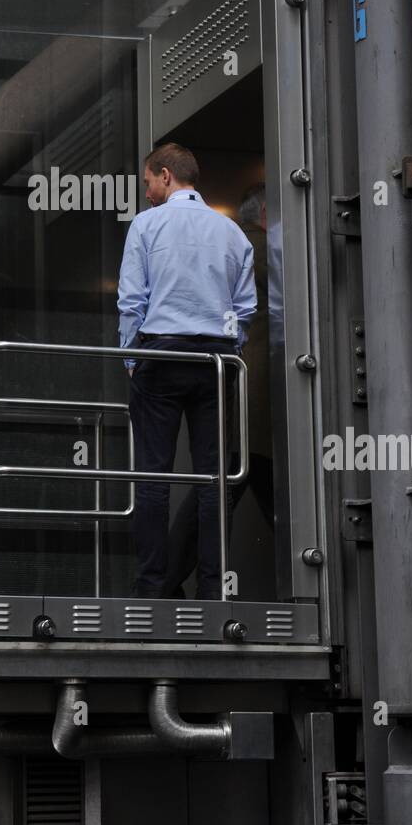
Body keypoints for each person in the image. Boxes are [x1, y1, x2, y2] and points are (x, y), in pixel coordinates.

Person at [117, 144, 256, 599]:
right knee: (214, 479)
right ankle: (213, 588)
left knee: (154, 477)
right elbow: (245, 308)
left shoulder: (147, 224)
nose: (148, 191)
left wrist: (132, 360)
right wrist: (229, 348)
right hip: (216, 362)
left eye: (148, 183)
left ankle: (153, 586)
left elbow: (132, 301)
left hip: (163, 354)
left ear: (165, 175)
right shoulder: (232, 232)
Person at [161, 181, 276, 598]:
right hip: (252, 390)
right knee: (229, 483)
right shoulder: (256, 248)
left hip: (238, 388)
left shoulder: (226, 246)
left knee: (240, 482)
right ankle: (167, 582)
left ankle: (167, 582)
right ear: (266, 215)